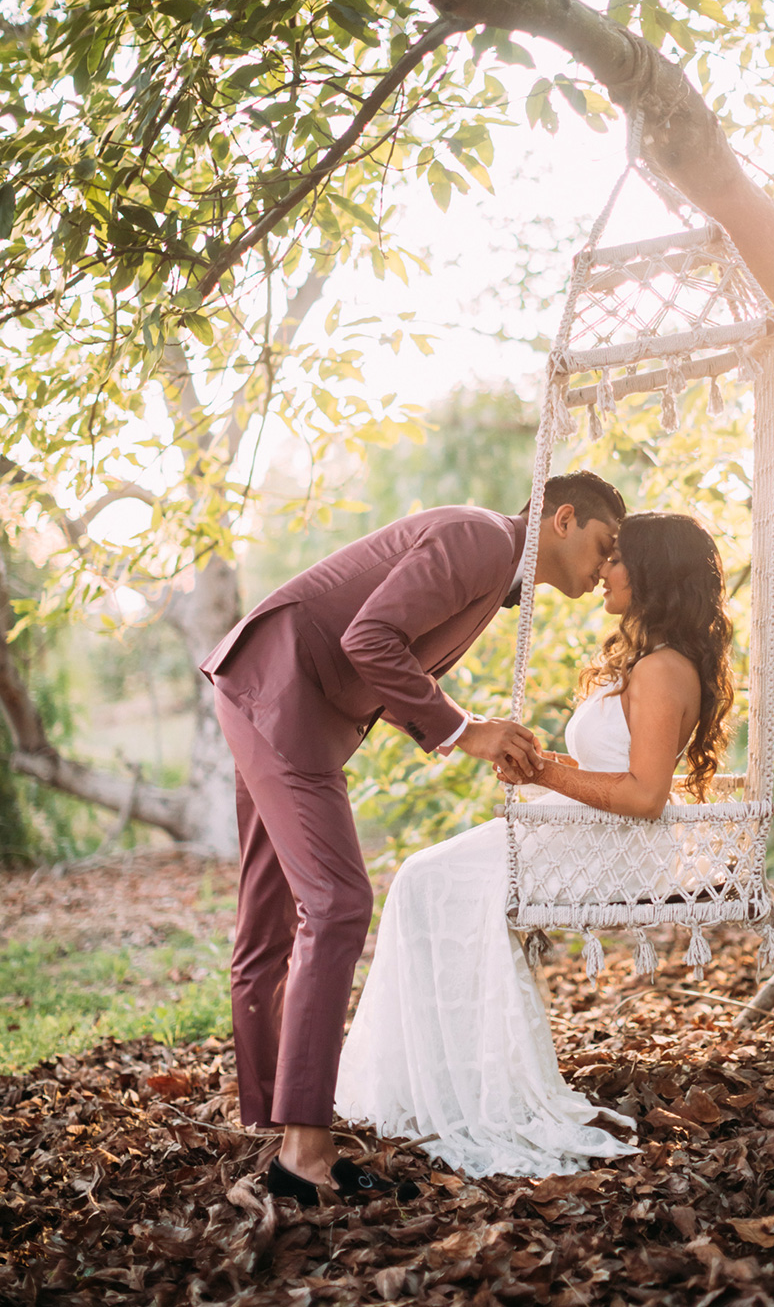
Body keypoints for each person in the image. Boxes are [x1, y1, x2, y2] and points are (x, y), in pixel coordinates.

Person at [201, 470, 623, 1207]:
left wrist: (477, 734)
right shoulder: (483, 539)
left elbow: (386, 658)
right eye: (604, 544)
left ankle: (276, 1134)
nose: (605, 568)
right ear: (562, 519)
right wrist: (466, 731)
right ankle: (301, 1155)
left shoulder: (491, 569)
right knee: (337, 906)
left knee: (269, 929)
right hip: (283, 691)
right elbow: (370, 639)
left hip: (269, 685)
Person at [333, 510, 734, 1178]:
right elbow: (614, 769)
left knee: (426, 881)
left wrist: (545, 771)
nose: (604, 570)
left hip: (612, 847)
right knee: (424, 880)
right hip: (577, 831)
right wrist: (538, 760)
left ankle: (475, 1087)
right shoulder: (646, 660)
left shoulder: (665, 670)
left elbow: (643, 796)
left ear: (655, 571)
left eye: (618, 557)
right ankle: (446, 1079)